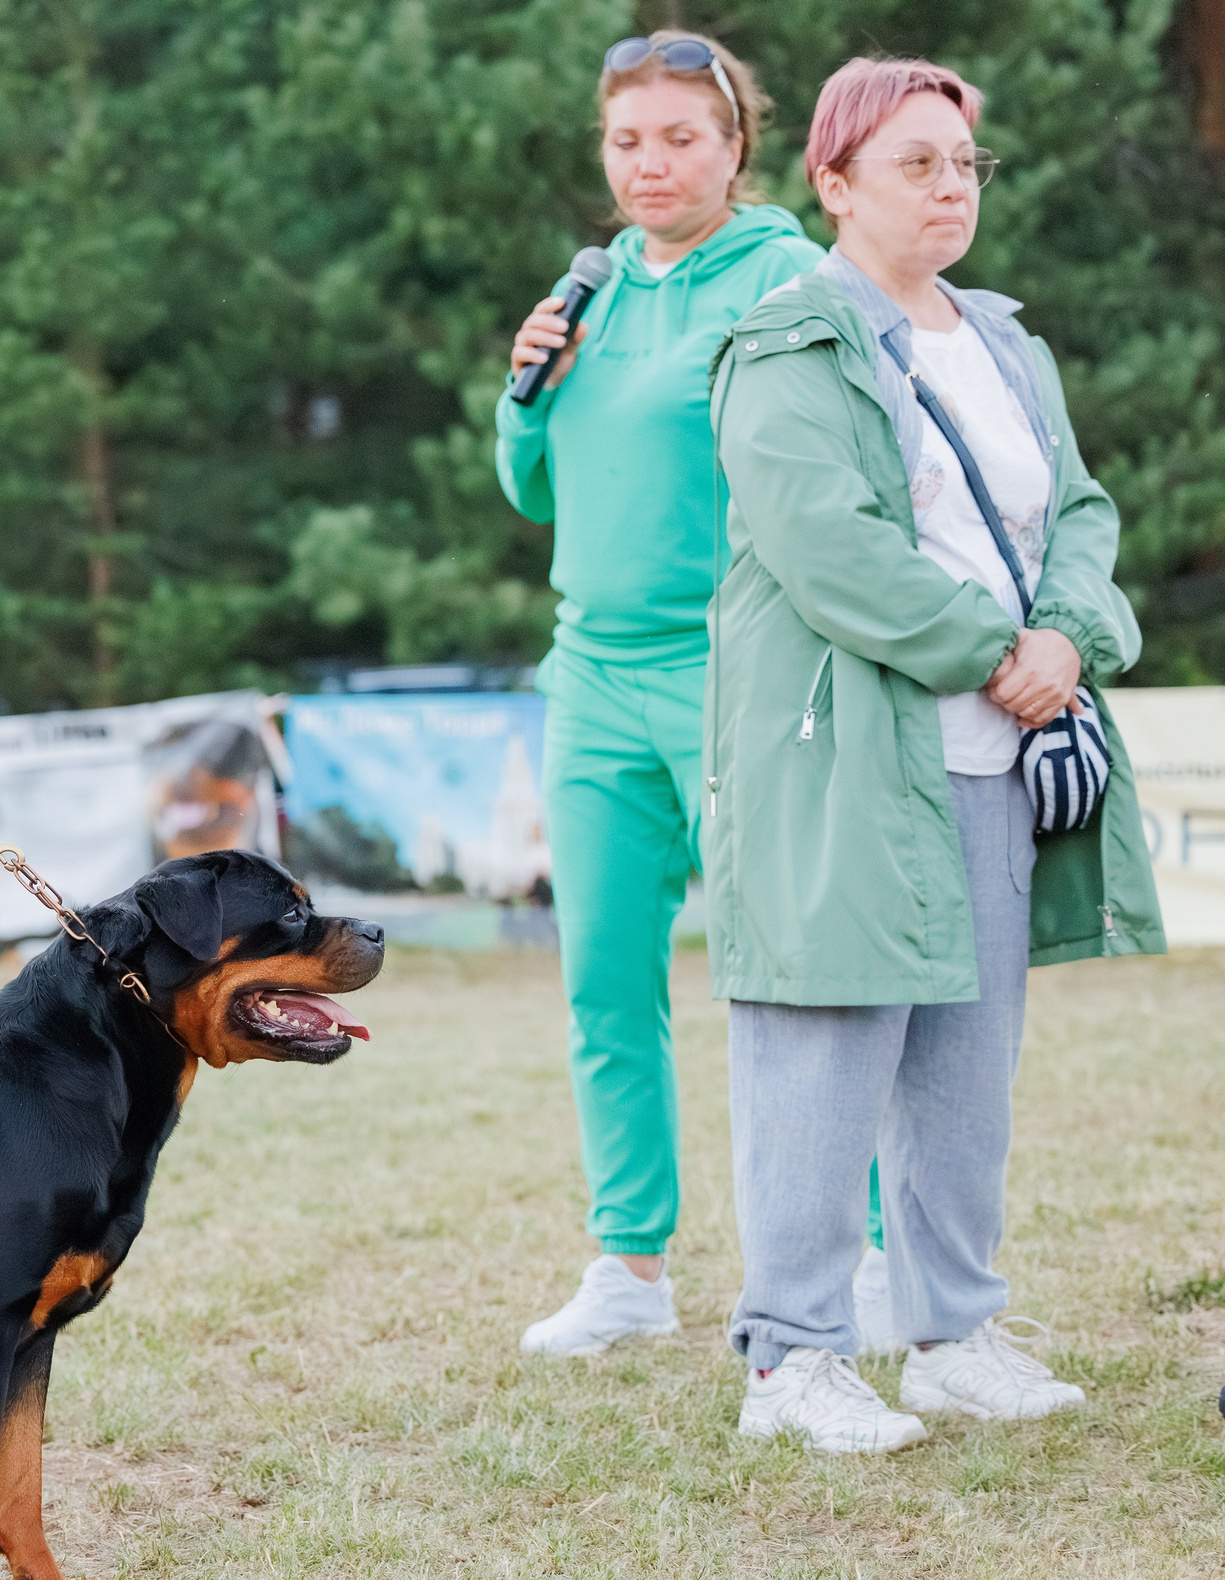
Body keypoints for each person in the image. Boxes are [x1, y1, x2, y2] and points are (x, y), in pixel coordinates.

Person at [707, 57, 1163, 1452]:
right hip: (846, 757)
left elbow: (1079, 512)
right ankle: (789, 1363)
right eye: (917, 164)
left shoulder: (1009, 342)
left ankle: (952, 1333)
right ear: (834, 185)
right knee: (823, 1048)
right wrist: (998, 652)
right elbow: (829, 549)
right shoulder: (789, 344)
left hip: (995, 758)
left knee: (968, 1067)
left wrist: (1070, 638)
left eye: (966, 164)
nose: (951, 187)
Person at [495, 32, 827, 1355]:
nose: (650, 164)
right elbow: (534, 488)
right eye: (627, 140)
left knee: (791, 980)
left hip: (732, 672)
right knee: (603, 985)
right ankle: (630, 1269)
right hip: (590, 678)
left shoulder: (790, 277)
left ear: (736, 146)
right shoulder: (590, 289)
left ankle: (842, 1259)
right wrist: (525, 400)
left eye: (680, 137)